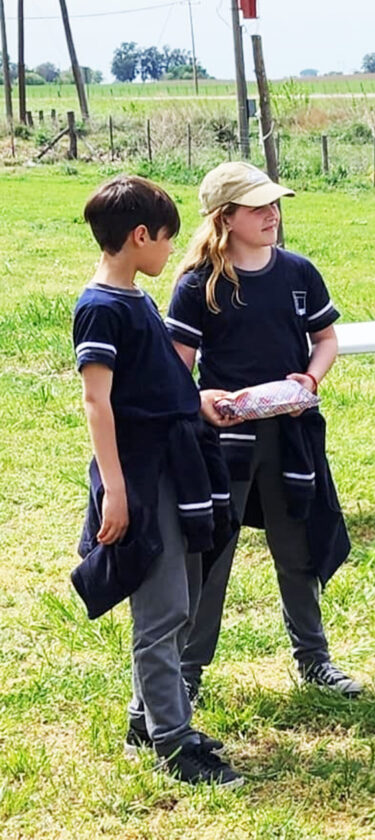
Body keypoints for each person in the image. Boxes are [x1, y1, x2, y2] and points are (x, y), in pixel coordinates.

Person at [72, 175, 244, 787]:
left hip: (174, 465)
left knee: (179, 598)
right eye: (166, 239)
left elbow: (154, 383)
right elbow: (99, 402)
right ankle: (173, 744)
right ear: (139, 236)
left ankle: (148, 719)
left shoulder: (136, 297)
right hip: (141, 478)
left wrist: (197, 402)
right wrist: (114, 491)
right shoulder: (101, 305)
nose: (171, 249)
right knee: (163, 608)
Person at [166, 161, 360, 701]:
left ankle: (314, 659)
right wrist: (204, 402)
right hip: (225, 446)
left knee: (297, 546)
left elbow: (325, 340)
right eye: (258, 207)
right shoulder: (197, 285)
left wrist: (310, 379)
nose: (272, 214)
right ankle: (188, 673)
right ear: (225, 218)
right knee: (211, 556)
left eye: (275, 204)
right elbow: (175, 372)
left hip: (290, 436)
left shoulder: (299, 273)